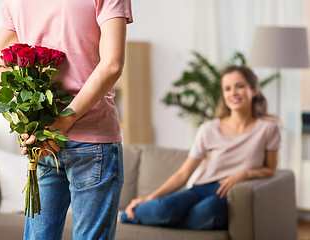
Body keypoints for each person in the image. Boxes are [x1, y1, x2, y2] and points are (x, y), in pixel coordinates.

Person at [0, 0, 133, 239]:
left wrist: (29, 124)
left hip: (44, 142)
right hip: (92, 139)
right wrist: (62, 124)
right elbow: (112, 64)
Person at [119, 65, 281, 230]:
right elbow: (184, 173)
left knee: (209, 210)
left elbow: (270, 169)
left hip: (230, 195)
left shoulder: (268, 127)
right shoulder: (209, 129)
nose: (233, 93)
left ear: (253, 90)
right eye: (227, 89)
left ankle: (156, 219)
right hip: (201, 189)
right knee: (164, 207)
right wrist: (149, 198)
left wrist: (244, 174)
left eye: (240, 86)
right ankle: (125, 216)